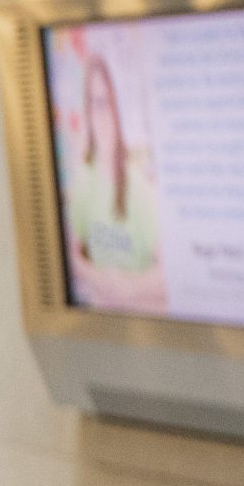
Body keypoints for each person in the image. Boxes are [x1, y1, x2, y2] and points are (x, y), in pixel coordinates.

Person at [62, 54, 165, 311]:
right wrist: (100, 281)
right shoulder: (84, 180)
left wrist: (129, 290)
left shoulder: (139, 185)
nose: (103, 114)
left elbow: (168, 277)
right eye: (95, 103)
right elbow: (69, 257)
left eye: (108, 102)